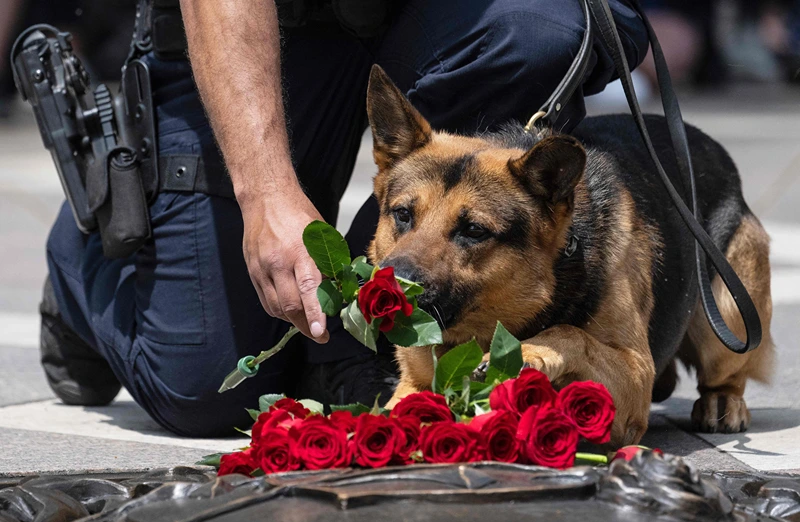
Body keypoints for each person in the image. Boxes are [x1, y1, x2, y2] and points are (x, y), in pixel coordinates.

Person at [41, 0, 648, 437]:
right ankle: (82, 256)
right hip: (260, 24)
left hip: (428, 16)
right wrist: (266, 195)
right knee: (205, 392)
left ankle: (353, 342)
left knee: (539, 26)